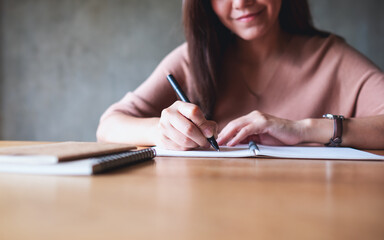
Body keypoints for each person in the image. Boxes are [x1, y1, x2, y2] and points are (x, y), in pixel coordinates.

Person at [97, 0, 384, 150]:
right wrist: (162, 131)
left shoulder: (332, 57)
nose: (241, 2)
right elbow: (108, 126)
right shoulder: (194, 58)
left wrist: (303, 130)